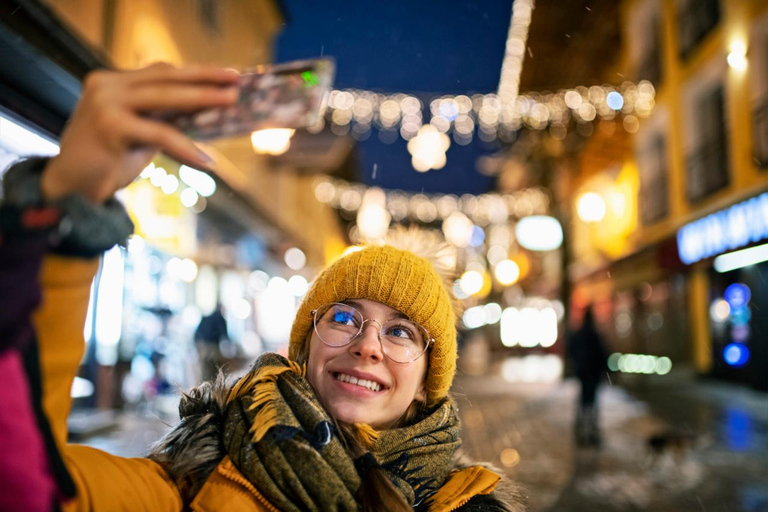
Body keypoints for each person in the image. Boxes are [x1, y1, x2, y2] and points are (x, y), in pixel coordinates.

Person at [0, 63, 527, 511]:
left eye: (402, 333)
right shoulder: (196, 476)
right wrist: (61, 213)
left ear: (430, 377)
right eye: (343, 318)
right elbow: (26, 484)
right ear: (305, 344)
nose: (367, 346)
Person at [567, 305, 609, 447]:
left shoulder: (578, 334)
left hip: (583, 373)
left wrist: (577, 365)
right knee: (592, 402)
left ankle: (582, 431)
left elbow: (571, 350)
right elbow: (602, 354)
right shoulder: (595, 335)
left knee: (584, 401)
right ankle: (591, 432)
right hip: (593, 374)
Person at [194, 303, 229, 382]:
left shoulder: (205, 318)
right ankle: (212, 391)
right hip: (213, 348)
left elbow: (196, 334)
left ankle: (203, 389)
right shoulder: (220, 318)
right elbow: (224, 335)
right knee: (215, 372)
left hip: (202, 347)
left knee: (204, 372)